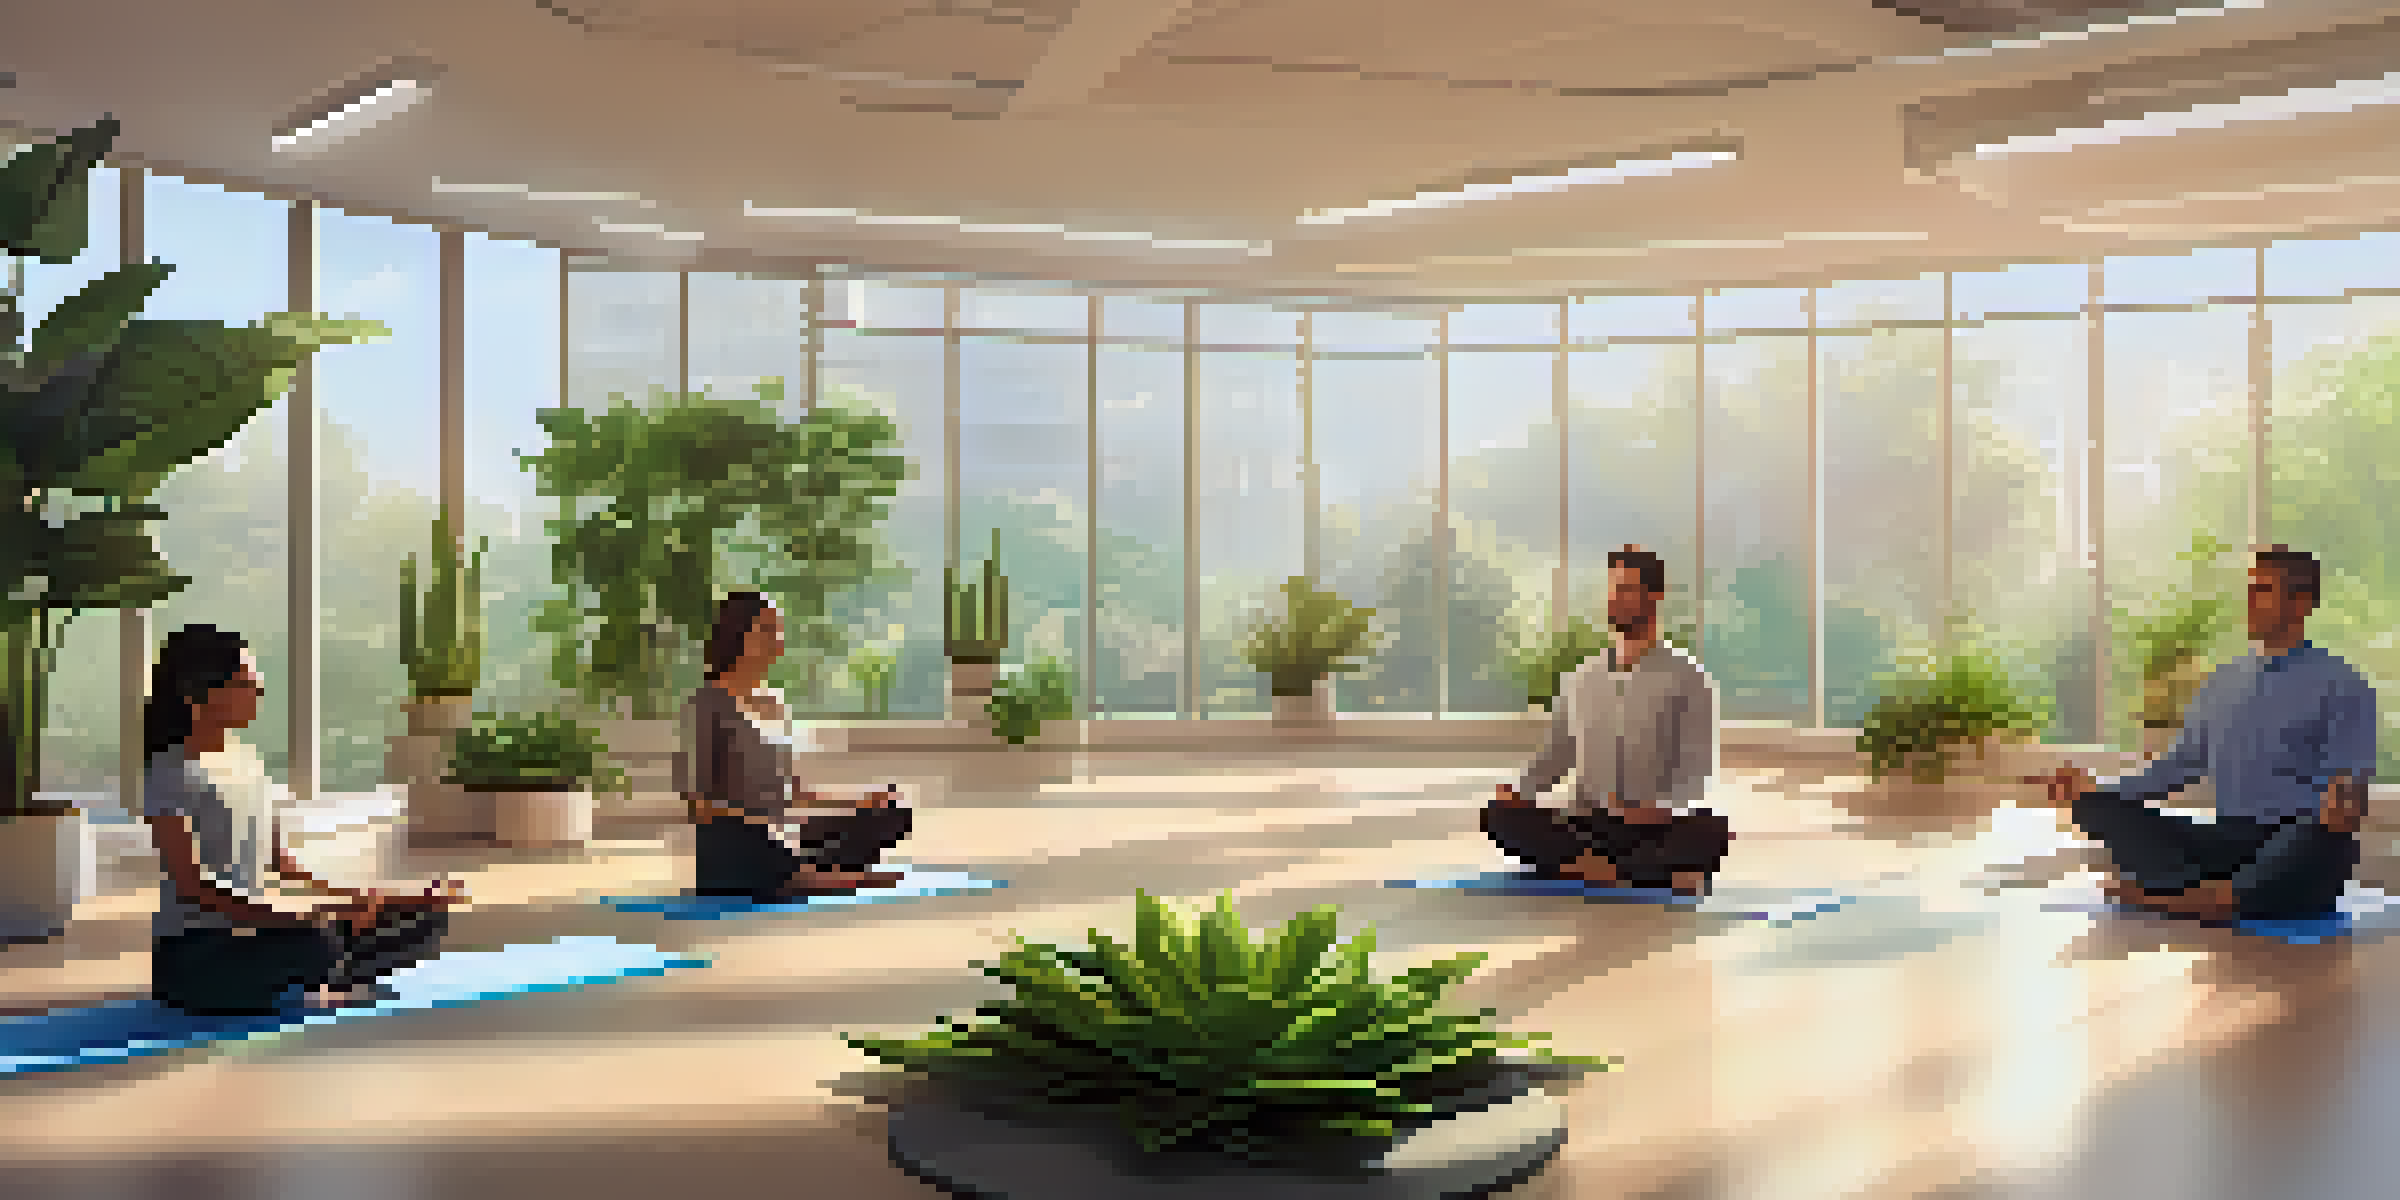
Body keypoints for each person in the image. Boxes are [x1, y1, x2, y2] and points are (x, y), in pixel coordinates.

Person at [2038, 546, 2376, 923]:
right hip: (2224, 840)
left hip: (2295, 838)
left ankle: (2177, 897)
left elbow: (2347, 791)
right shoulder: (2223, 681)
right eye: (2249, 590)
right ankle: (2216, 893)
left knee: (2322, 840)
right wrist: (2095, 791)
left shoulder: (2343, 685)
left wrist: (2340, 810)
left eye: (2262, 591)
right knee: (2100, 808)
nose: (2249, 602)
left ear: (2301, 603)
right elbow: (2175, 769)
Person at [142, 625, 466, 1015]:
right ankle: (319, 977)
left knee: (422, 918)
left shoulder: (249, 764)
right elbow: (194, 888)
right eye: (245, 684)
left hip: (262, 932)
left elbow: (283, 865)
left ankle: (319, 978)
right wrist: (306, 916)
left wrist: (382, 898)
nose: (259, 692)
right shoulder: (172, 773)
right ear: (198, 695)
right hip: (198, 954)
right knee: (316, 940)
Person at [1486, 546, 1733, 897]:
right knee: (1499, 816)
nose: (1618, 600)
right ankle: (1633, 871)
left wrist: (1656, 811)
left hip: (1654, 823)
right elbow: (1556, 758)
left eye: (1629, 590)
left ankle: (1585, 867)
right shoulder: (1581, 677)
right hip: (1587, 822)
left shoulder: (1689, 678)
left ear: (1655, 597)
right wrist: (1520, 791)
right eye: (1614, 589)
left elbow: (1696, 775)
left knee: (1711, 830)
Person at [681, 591, 915, 899]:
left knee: (891, 811)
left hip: (785, 837)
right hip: (739, 838)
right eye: (767, 630)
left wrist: (859, 802)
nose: (777, 640)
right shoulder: (705, 703)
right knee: (745, 836)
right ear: (738, 635)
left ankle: (809, 874)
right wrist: (761, 818)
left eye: (778, 630)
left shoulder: (776, 704)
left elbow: (794, 793)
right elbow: (699, 805)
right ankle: (813, 876)